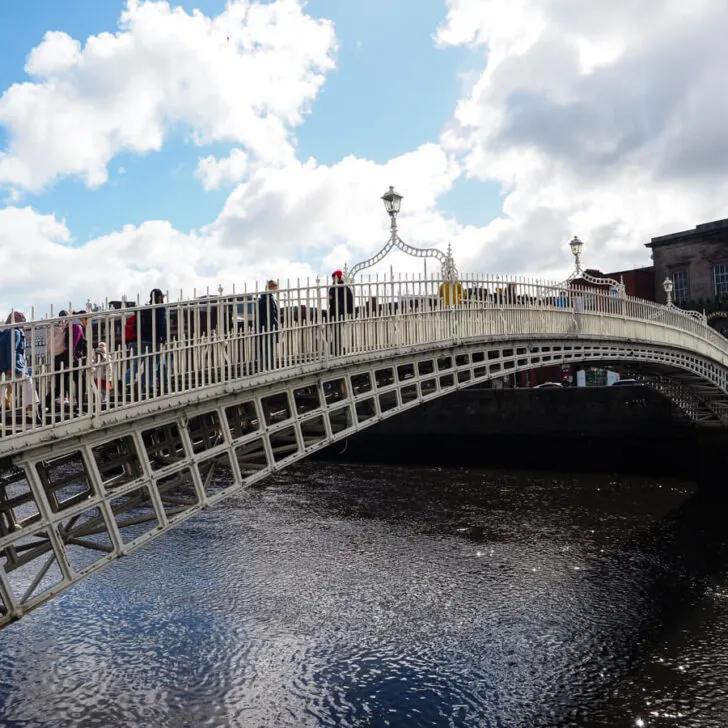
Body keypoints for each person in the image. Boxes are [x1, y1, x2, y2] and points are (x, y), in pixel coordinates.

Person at [125, 289, 168, 393]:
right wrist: (163, 337)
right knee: (152, 365)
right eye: (162, 297)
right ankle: (148, 386)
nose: (163, 299)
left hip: (142, 339)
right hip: (155, 340)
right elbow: (162, 324)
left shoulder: (146, 308)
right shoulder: (160, 308)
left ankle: (125, 380)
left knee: (137, 363)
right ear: (159, 297)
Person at [0, 311, 39, 419]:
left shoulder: (4, 332)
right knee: (28, 384)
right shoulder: (15, 332)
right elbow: (12, 350)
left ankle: (30, 409)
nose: (24, 322)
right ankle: (31, 410)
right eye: (23, 319)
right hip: (15, 365)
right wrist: (10, 367)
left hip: (4, 366)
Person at [328, 270, 354, 355]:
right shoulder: (346, 288)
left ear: (337, 277)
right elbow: (350, 301)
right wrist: (349, 311)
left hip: (335, 313)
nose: (333, 279)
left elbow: (330, 301)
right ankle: (337, 348)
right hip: (341, 313)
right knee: (337, 331)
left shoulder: (333, 288)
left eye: (334, 277)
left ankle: (336, 349)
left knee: (336, 331)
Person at [256, 280, 279, 371]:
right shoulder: (268, 298)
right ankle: (270, 367)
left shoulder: (263, 298)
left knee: (264, 348)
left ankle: (264, 367)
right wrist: (275, 326)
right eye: (276, 287)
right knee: (269, 348)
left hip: (263, 326)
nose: (277, 289)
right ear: (272, 287)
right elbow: (272, 314)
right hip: (269, 326)